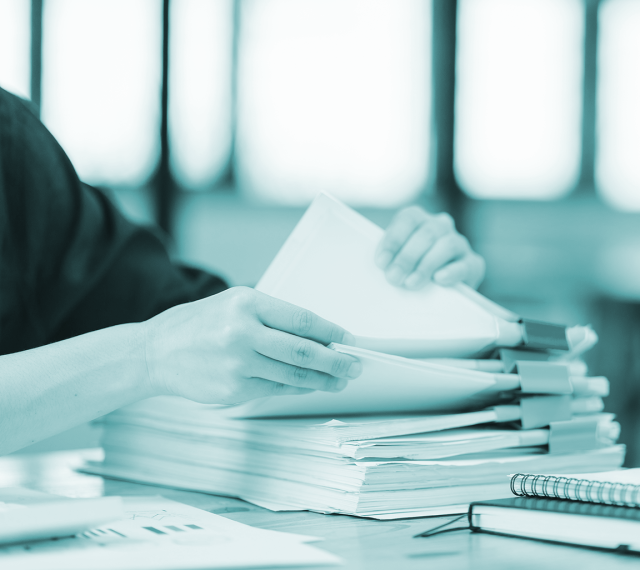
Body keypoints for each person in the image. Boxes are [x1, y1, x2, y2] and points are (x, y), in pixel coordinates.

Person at [0, 87, 486, 455]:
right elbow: (160, 343)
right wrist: (146, 356)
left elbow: (196, 329)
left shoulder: (10, 148)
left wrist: (412, 294)